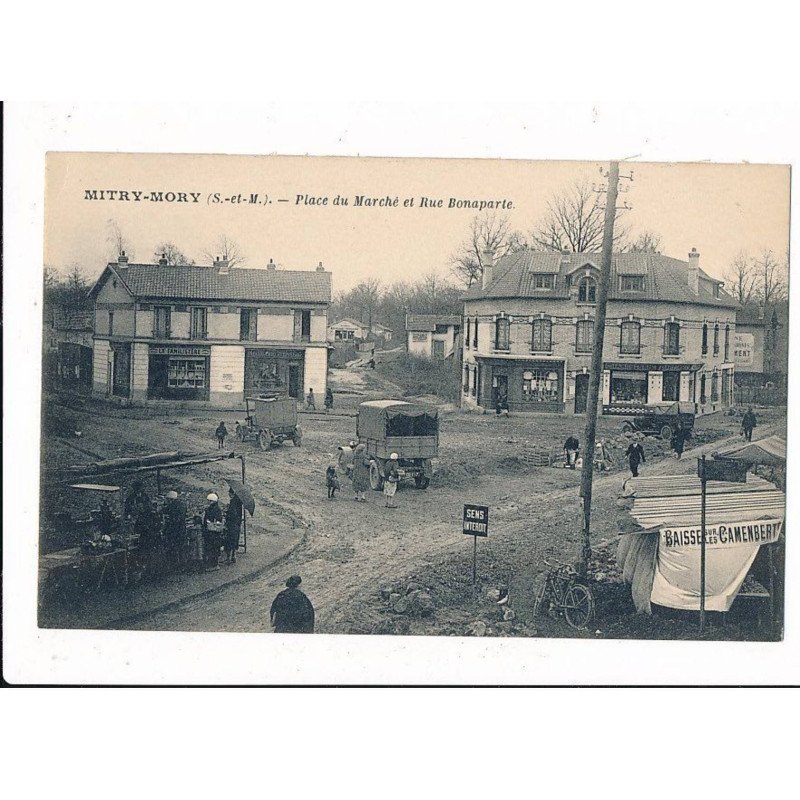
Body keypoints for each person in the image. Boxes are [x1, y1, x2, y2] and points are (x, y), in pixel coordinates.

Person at [162, 489, 188, 571]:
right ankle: (183, 565)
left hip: (174, 530)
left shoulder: (172, 505)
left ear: (170, 499)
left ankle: (176, 566)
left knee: (174, 548)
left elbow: (163, 511)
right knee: (181, 548)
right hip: (182, 529)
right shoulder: (182, 505)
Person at [202, 492, 224, 571]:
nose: (209, 503)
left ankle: (214, 565)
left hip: (213, 532)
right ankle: (213, 564)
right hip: (212, 532)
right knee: (213, 548)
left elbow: (217, 521)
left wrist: (209, 522)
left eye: (210, 501)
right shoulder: (214, 508)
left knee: (213, 548)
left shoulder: (215, 509)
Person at [224, 487, 243, 565]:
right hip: (237, 524)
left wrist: (227, 514)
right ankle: (234, 556)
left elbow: (232, 514)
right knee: (235, 540)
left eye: (229, 493)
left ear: (232, 494)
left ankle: (228, 558)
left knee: (229, 541)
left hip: (231, 524)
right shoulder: (239, 502)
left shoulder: (233, 503)